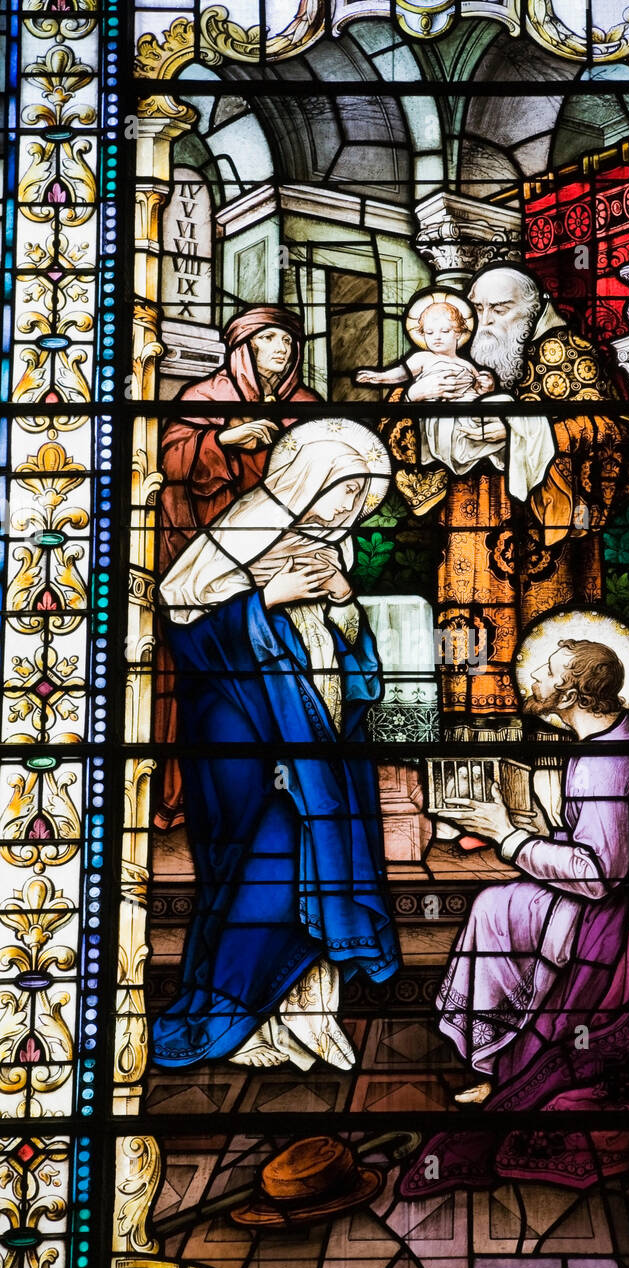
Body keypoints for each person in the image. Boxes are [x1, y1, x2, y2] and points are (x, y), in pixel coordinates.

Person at [400, 612, 629, 1194]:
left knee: (495, 910)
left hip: (619, 920)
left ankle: (500, 1067)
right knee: (501, 904)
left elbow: (598, 874)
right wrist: (540, 834)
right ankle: (500, 1059)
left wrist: (509, 837)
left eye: (545, 674)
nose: (531, 682)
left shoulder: (604, 760)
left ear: (573, 693)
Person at [151, 418, 400, 1070]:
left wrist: (345, 607)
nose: (348, 509)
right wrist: (265, 601)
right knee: (263, 874)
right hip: (246, 747)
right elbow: (186, 627)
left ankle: (309, 1019)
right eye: (341, 491)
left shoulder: (332, 552)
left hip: (319, 749)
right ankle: (240, 1020)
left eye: (360, 499)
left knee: (315, 867)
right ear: (303, 480)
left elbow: (355, 673)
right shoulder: (238, 533)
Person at [381, 266, 629, 719]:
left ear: (534, 307)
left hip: (547, 529)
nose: (486, 321)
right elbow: (394, 433)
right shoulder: (448, 362)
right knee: (466, 639)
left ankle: (558, 730)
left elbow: (611, 428)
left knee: (552, 644)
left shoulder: (567, 354)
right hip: (466, 525)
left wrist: (523, 431)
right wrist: (414, 402)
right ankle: (468, 723)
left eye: (500, 310)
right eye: (478, 310)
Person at [154, 305, 321, 829]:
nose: (282, 349)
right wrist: (223, 441)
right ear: (243, 346)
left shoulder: (308, 404)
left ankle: (291, 794)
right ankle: (190, 796)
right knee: (212, 672)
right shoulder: (204, 399)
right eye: (269, 339)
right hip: (210, 555)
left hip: (286, 552)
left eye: (288, 342)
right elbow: (167, 459)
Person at [355, 293, 495, 399]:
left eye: (445, 331)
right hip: (439, 410)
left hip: (469, 404)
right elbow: (401, 374)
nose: (437, 337)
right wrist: (379, 377)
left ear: (458, 333)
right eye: (429, 332)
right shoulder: (423, 357)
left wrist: (486, 387)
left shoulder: (467, 364)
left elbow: (478, 388)